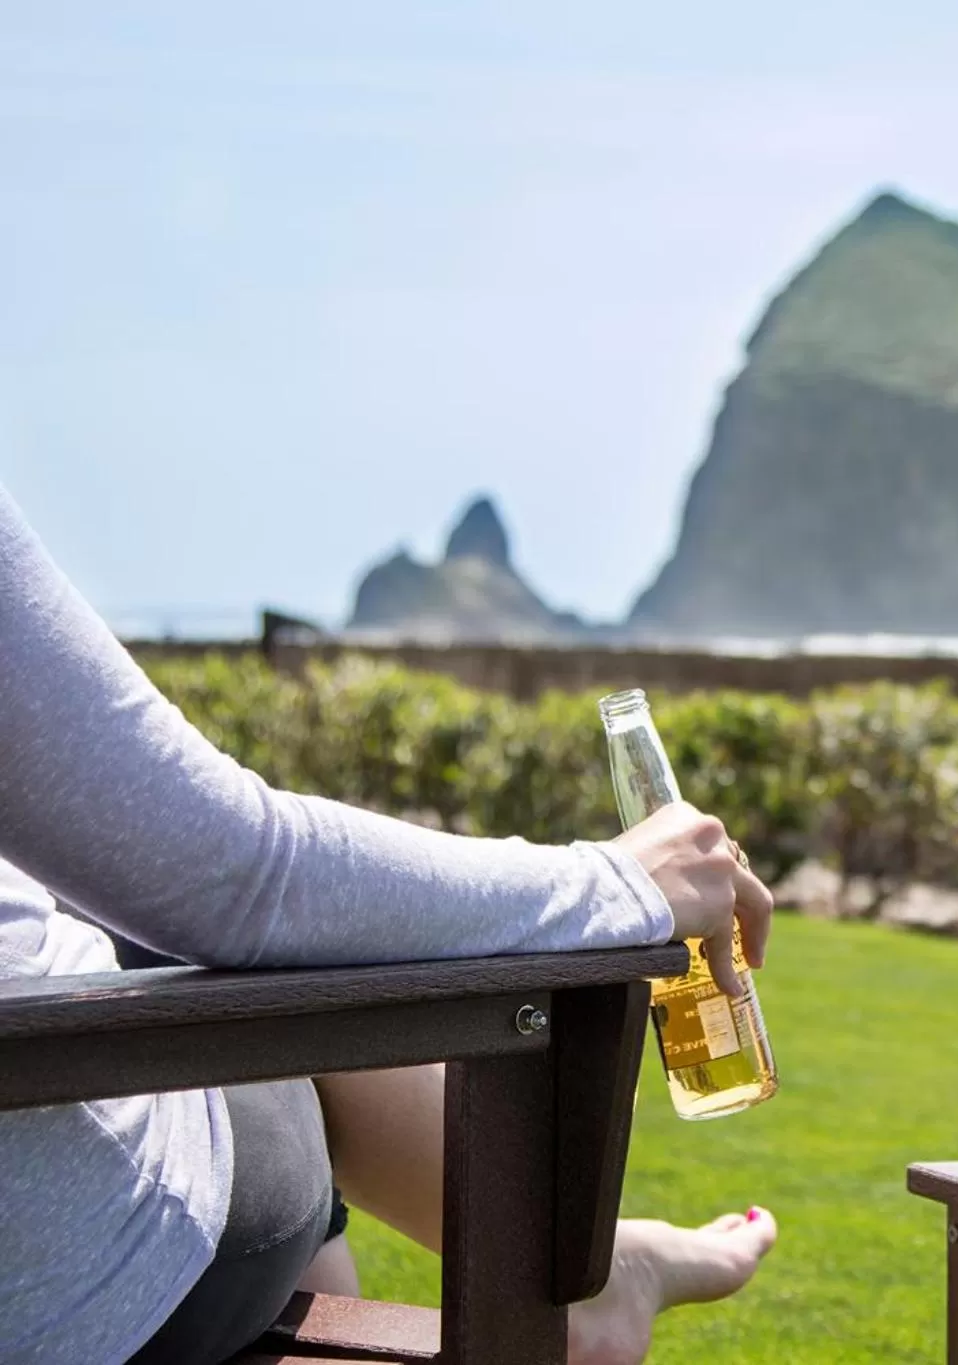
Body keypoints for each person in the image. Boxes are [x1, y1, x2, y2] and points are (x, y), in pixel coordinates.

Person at [0, 481, 777, 1365]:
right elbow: (233, 875)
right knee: (286, 1021)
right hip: (77, 1280)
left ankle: (600, 1280)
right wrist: (615, 882)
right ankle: (586, 1285)